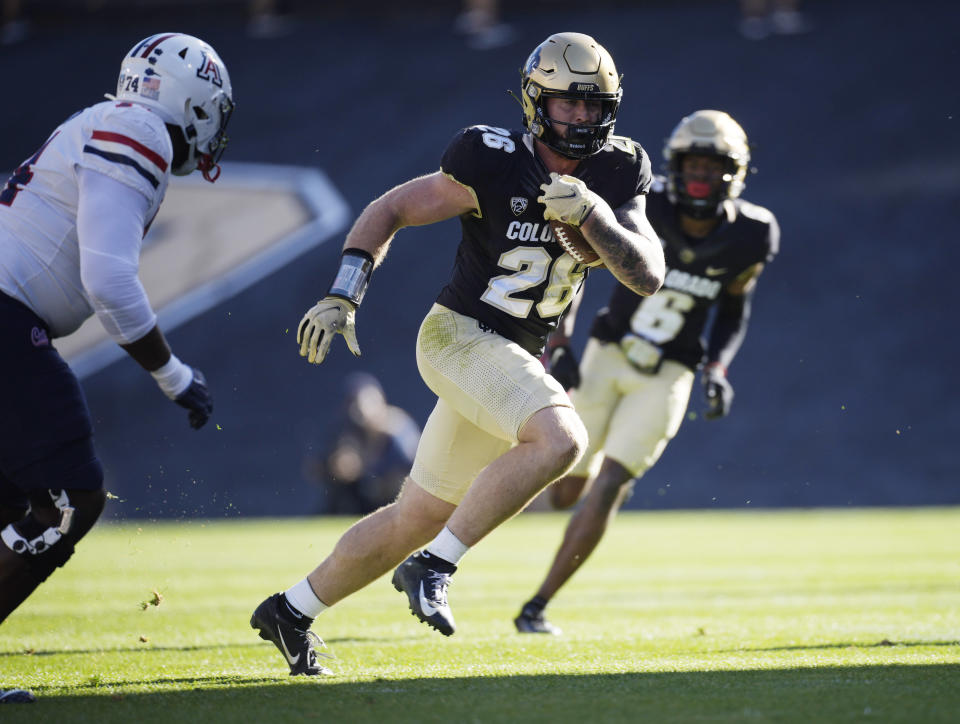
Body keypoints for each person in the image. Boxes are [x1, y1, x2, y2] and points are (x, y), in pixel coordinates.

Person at [250, 31, 665, 676]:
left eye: (593, 105)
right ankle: (436, 565)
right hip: (459, 337)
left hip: (513, 353)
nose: (581, 117)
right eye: (568, 103)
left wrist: (595, 219)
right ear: (535, 102)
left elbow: (646, 273)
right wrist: (344, 293)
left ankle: (291, 610)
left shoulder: (617, 171)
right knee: (561, 441)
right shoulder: (491, 160)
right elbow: (391, 208)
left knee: (417, 513)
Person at [0, 31, 234, 653]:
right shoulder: (142, 130)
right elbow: (106, 280)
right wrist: (174, 376)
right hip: (4, 314)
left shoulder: (107, 118)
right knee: (70, 497)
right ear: (198, 102)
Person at [513, 109, 779, 634]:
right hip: (608, 354)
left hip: (670, 371)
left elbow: (733, 306)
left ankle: (537, 606)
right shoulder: (645, 204)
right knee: (563, 487)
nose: (700, 177)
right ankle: (451, 539)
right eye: (692, 164)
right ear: (674, 167)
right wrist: (562, 341)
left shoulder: (752, 233)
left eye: (712, 166)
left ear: (736, 173)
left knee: (612, 481)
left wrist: (718, 366)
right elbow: (578, 262)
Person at [304, 372, 420, 515]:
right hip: (362, 503)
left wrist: (370, 471)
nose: (358, 413)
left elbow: (414, 470)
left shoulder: (397, 430)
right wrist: (338, 468)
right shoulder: (350, 431)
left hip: (396, 502)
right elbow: (316, 468)